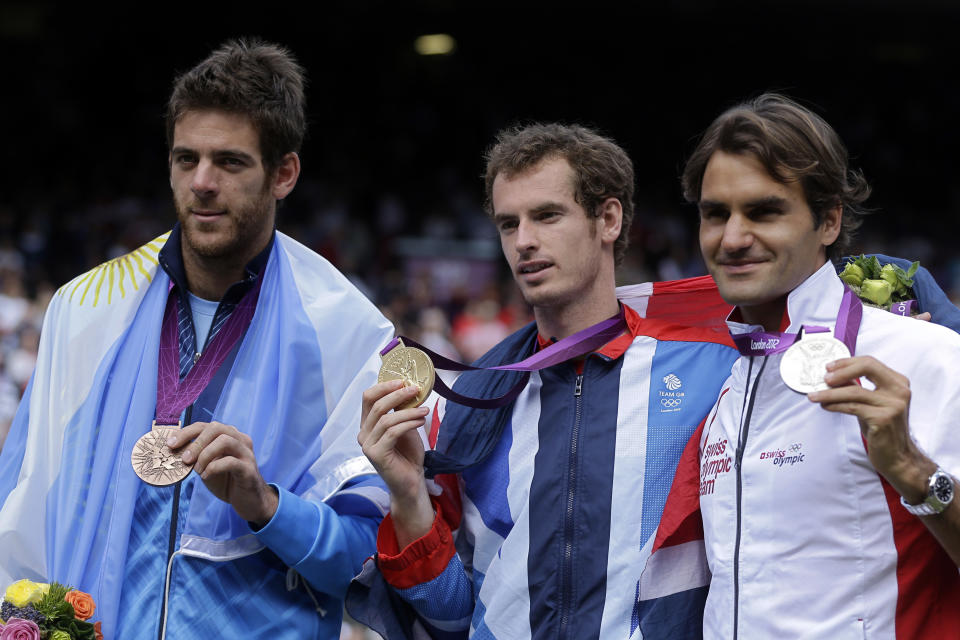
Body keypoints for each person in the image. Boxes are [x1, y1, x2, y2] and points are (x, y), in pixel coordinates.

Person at [0, 39, 394, 639]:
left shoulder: (345, 330)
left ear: (283, 173)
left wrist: (266, 505)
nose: (202, 183)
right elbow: (18, 512)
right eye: (186, 160)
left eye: (230, 162)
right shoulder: (85, 308)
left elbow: (368, 557)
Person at [353, 123, 740, 638]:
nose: (524, 242)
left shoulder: (712, 372)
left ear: (607, 218)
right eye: (508, 224)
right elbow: (450, 615)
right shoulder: (471, 398)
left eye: (547, 216)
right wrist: (407, 496)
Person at [680, 93, 960, 638]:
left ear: (829, 221)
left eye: (764, 211)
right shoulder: (727, 380)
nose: (732, 238)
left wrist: (913, 470)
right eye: (716, 214)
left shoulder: (922, 355)